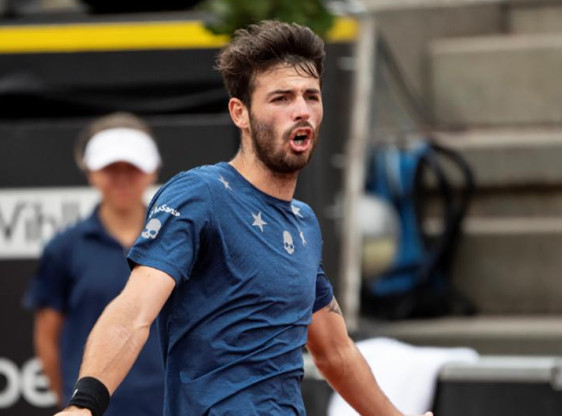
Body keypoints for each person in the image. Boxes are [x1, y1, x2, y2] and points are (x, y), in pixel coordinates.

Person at [57, 21, 434, 416]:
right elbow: (135, 310)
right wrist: (85, 405)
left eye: (311, 96)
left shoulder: (302, 222)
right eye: (281, 98)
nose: (302, 110)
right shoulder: (200, 194)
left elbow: (335, 351)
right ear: (240, 113)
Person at [22, 112, 165, 415]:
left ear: (152, 172)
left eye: (133, 168)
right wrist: (74, 404)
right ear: (92, 173)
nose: (122, 178)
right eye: (111, 168)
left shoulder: (177, 240)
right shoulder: (64, 248)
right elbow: (47, 338)